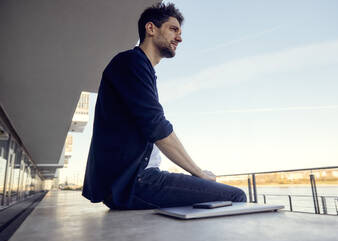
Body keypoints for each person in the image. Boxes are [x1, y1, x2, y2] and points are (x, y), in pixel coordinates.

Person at [82, 3, 246, 210]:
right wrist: (199, 173)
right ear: (151, 29)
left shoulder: (140, 67)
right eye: (173, 29)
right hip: (134, 182)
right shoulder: (131, 62)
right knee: (236, 195)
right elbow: (157, 127)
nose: (179, 38)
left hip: (136, 179)